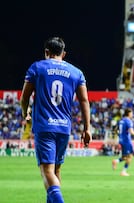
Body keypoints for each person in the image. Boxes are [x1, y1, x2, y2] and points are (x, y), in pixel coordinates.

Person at [20, 37, 91, 203]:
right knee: (56, 170)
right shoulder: (76, 72)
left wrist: (26, 112)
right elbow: (84, 101)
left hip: (45, 127)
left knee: (47, 171)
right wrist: (87, 128)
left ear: (46, 52)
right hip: (64, 128)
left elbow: (24, 97)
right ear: (63, 53)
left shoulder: (37, 67)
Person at [112, 108, 134, 176]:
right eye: (132, 113)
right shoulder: (128, 121)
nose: (132, 114)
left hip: (121, 140)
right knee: (130, 156)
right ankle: (123, 171)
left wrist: (120, 136)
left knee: (125, 156)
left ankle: (116, 161)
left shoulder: (121, 120)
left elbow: (116, 130)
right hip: (126, 141)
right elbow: (131, 132)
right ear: (129, 113)